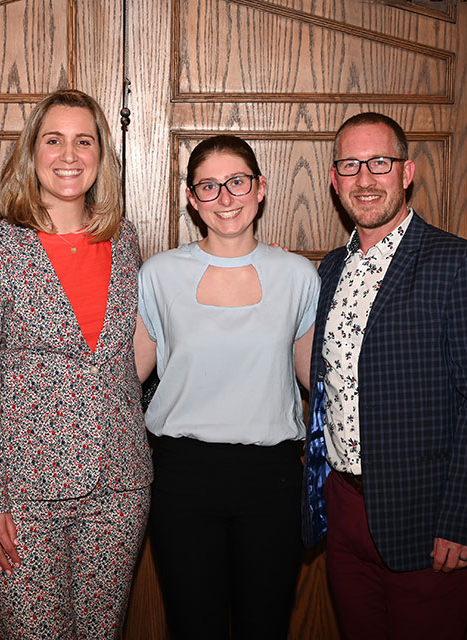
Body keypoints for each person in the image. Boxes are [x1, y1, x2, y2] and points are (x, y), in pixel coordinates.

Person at [302, 112, 467, 640]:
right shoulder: (330, 269)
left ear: (407, 172)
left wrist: (464, 520)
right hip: (345, 510)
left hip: (429, 517)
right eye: (350, 166)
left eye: (380, 162)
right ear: (334, 180)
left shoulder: (462, 263)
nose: (365, 179)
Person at [0, 89, 152, 639]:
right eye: (54, 140)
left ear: (101, 154)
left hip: (119, 485)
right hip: (22, 495)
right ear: (31, 153)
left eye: (83, 141)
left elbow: (132, 352)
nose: (70, 155)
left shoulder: (125, 240)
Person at [135, 135, 320, 639]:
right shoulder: (158, 275)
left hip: (272, 479)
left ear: (260, 188)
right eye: (209, 187)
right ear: (192, 200)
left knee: (266, 625)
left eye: (237, 182)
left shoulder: (299, 275)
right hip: (182, 477)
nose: (225, 198)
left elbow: (316, 378)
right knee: (193, 626)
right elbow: (121, 378)